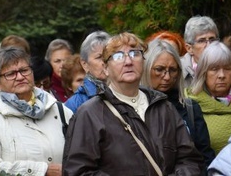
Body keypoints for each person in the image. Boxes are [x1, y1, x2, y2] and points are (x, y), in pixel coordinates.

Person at [62, 32, 204, 175]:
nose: (128, 61)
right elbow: (78, 171)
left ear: (143, 61)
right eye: (118, 56)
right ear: (105, 68)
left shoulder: (163, 107)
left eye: (135, 54)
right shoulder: (90, 114)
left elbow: (189, 159)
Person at [0, 47, 72, 175]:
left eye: (24, 70)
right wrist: (42, 170)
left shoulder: (60, 110)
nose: (20, 77)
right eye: (10, 74)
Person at [141, 39, 216, 168]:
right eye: (159, 69)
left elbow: (205, 155)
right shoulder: (132, 109)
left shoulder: (190, 108)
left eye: (173, 70)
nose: (167, 77)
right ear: (146, 68)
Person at [185, 41, 231, 154]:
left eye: (227, 69)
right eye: (214, 69)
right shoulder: (190, 105)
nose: (222, 75)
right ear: (203, 73)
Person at [65, 30, 110, 113]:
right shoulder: (74, 105)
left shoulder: (126, 91)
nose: (105, 61)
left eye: (108, 56)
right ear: (85, 64)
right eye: (99, 57)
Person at [182, 16, 219, 90]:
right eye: (201, 41)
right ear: (189, 48)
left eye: (212, 40)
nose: (209, 45)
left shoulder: (229, 67)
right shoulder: (178, 70)